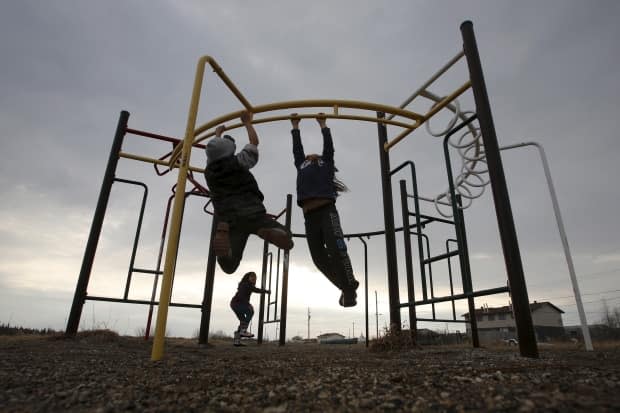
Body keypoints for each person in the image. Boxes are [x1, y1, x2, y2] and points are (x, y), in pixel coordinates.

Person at [204, 111, 294, 274]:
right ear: (230, 152)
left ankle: (224, 243)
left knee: (229, 267)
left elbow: (214, 151)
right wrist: (247, 122)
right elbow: (254, 142)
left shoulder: (208, 171)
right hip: (252, 213)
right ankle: (265, 232)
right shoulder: (238, 162)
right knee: (287, 236)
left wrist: (218, 134)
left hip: (228, 221)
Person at [290, 113, 359, 307]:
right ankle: (346, 288)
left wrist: (323, 124)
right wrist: (295, 126)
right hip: (309, 217)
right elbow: (297, 149)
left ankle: (349, 288)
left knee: (337, 249)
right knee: (318, 258)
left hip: (326, 211)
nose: (311, 154)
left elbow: (329, 147)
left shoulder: (326, 162)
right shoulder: (301, 164)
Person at [230, 271, 269, 346]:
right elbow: (241, 296)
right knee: (250, 311)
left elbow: (257, 290)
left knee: (243, 320)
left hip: (235, 304)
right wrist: (248, 304)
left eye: (255, 278)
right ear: (248, 277)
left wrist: (266, 291)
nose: (254, 279)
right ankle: (243, 331)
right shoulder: (244, 285)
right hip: (237, 303)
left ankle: (237, 341)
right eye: (252, 277)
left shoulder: (249, 286)